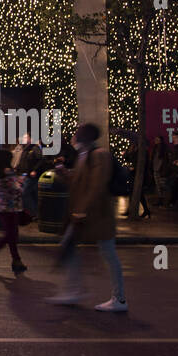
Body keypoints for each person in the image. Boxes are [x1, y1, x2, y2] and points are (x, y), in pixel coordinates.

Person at [50, 123, 127, 313]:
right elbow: (78, 182)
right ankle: (74, 289)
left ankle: (119, 299)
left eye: (77, 132)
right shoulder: (83, 155)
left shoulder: (99, 154)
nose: (73, 136)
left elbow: (97, 184)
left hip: (97, 215)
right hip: (84, 215)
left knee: (109, 254)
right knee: (69, 246)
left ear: (84, 136)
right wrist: (62, 172)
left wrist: (82, 210)